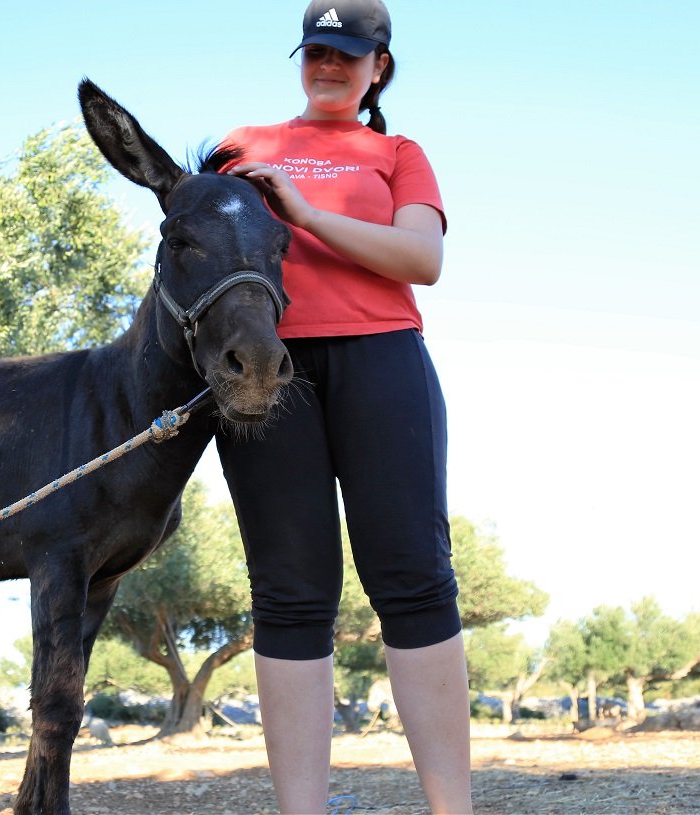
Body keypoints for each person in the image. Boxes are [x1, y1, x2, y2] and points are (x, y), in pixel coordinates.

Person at [216, 1, 473, 813]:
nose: (329, 66)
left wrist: (304, 212)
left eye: (347, 54)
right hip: (269, 374)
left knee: (415, 580)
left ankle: (451, 807)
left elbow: (422, 257)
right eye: (316, 51)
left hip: (383, 358)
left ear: (378, 67)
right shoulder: (240, 149)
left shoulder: (396, 152)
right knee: (289, 592)